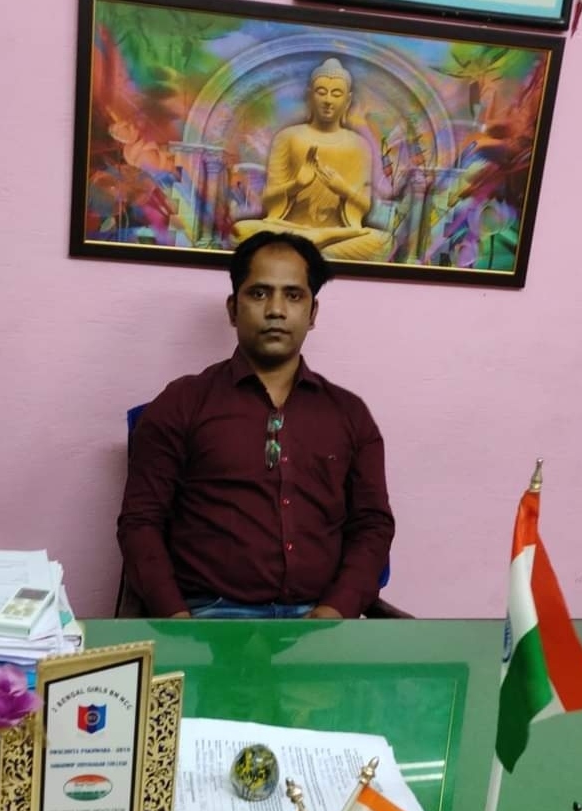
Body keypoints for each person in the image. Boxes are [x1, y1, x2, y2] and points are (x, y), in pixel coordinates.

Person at [116, 230, 394, 619]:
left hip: (319, 619)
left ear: (312, 313)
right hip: (210, 618)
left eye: (293, 295)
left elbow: (373, 525)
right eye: (259, 293)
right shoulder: (182, 403)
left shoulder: (349, 414)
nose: (276, 310)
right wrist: (177, 621)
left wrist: (335, 610)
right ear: (233, 309)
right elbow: (140, 522)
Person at [231, 58, 392, 262]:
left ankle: (303, 248)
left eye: (336, 94)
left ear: (347, 101)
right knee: (240, 230)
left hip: (336, 233)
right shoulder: (288, 137)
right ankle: (314, 246)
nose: (328, 100)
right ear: (310, 96)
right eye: (321, 92)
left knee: (383, 242)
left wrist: (342, 188)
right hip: (288, 228)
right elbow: (269, 200)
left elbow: (363, 207)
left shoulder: (359, 145)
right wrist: (297, 184)